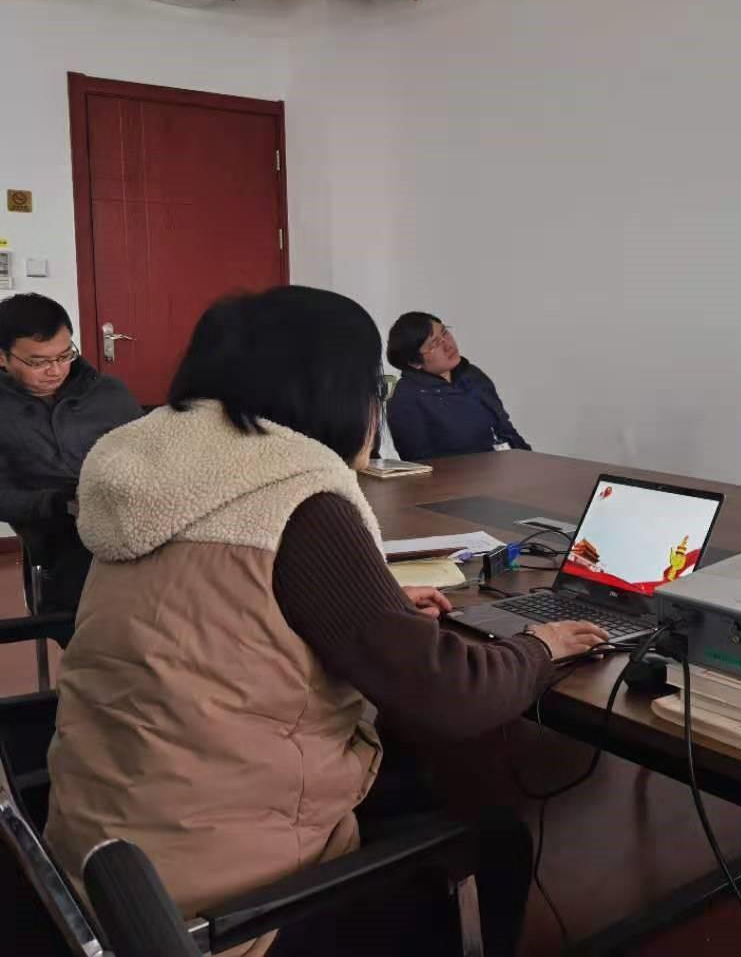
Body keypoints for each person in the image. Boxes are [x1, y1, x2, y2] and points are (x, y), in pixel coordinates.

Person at [45, 286, 606, 957]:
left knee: (413, 767)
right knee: (495, 833)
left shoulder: (159, 476)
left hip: (107, 849)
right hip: (224, 907)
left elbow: (223, 607)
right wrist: (541, 646)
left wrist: (367, 603)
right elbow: (454, 696)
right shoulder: (296, 498)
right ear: (336, 390)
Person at [0, 293, 140, 613]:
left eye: (65, 356)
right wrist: (56, 502)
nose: (56, 370)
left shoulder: (109, 394)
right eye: (38, 362)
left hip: (131, 515)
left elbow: (149, 456)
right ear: (3, 357)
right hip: (57, 532)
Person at [385, 312, 531, 460]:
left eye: (445, 333)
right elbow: (421, 465)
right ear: (414, 362)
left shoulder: (472, 374)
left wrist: (529, 461)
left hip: (506, 467)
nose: (448, 345)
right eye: (435, 344)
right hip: (465, 474)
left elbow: (506, 429)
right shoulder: (406, 398)